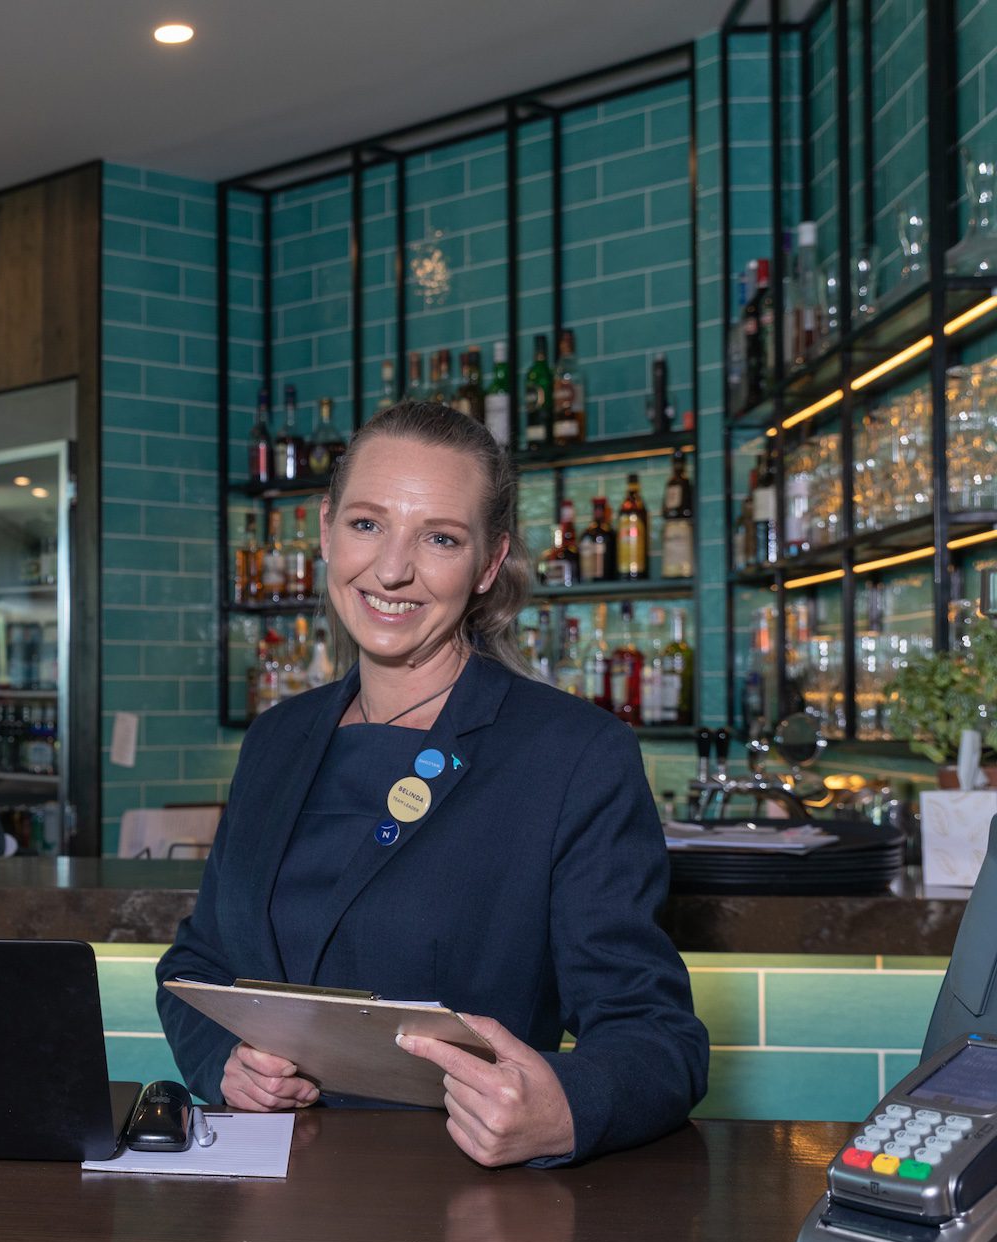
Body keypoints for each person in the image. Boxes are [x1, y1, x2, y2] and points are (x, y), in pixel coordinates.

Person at [155, 400, 708, 1166]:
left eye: (439, 538)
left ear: (487, 564)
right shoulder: (277, 739)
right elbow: (197, 965)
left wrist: (562, 1107)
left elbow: (657, 1034)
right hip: (265, 1196)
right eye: (366, 524)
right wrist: (225, 1062)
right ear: (324, 529)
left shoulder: (573, 754)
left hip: (457, 1199)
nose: (391, 569)